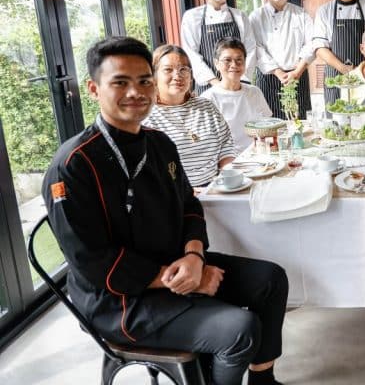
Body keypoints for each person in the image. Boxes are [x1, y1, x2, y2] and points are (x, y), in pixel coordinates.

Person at [42, 36, 288, 385]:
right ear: (94, 89)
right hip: (120, 300)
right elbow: (93, 262)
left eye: (143, 81)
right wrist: (184, 280)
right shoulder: (73, 165)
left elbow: (188, 206)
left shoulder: (158, 143)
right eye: (120, 82)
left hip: (175, 263)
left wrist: (194, 255)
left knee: (270, 280)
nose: (135, 92)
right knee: (239, 329)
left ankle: (264, 382)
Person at [144, 45, 236, 187]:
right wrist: (187, 195)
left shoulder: (206, 106)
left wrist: (227, 177)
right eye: (168, 70)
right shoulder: (146, 117)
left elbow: (226, 145)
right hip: (174, 199)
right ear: (154, 76)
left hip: (217, 190)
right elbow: (149, 170)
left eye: (183, 69)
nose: (177, 76)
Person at [181, 0, 257, 94]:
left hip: (238, 86)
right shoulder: (192, 17)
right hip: (209, 86)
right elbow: (191, 54)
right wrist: (215, 82)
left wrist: (241, 80)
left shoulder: (240, 16)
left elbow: (250, 49)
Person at [249, 0, 315, 119]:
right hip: (269, 78)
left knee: (300, 124)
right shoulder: (256, 17)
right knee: (272, 125)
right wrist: (278, 72)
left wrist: (297, 71)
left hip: (298, 75)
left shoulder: (301, 14)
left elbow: (311, 43)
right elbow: (257, 48)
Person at [202, 37, 272, 153]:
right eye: (227, 60)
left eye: (239, 60)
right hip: (229, 162)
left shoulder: (254, 92)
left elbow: (268, 127)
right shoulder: (208, 99)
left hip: (259, 154)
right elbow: (208, 144)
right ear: (216, 63)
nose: (234, 65)